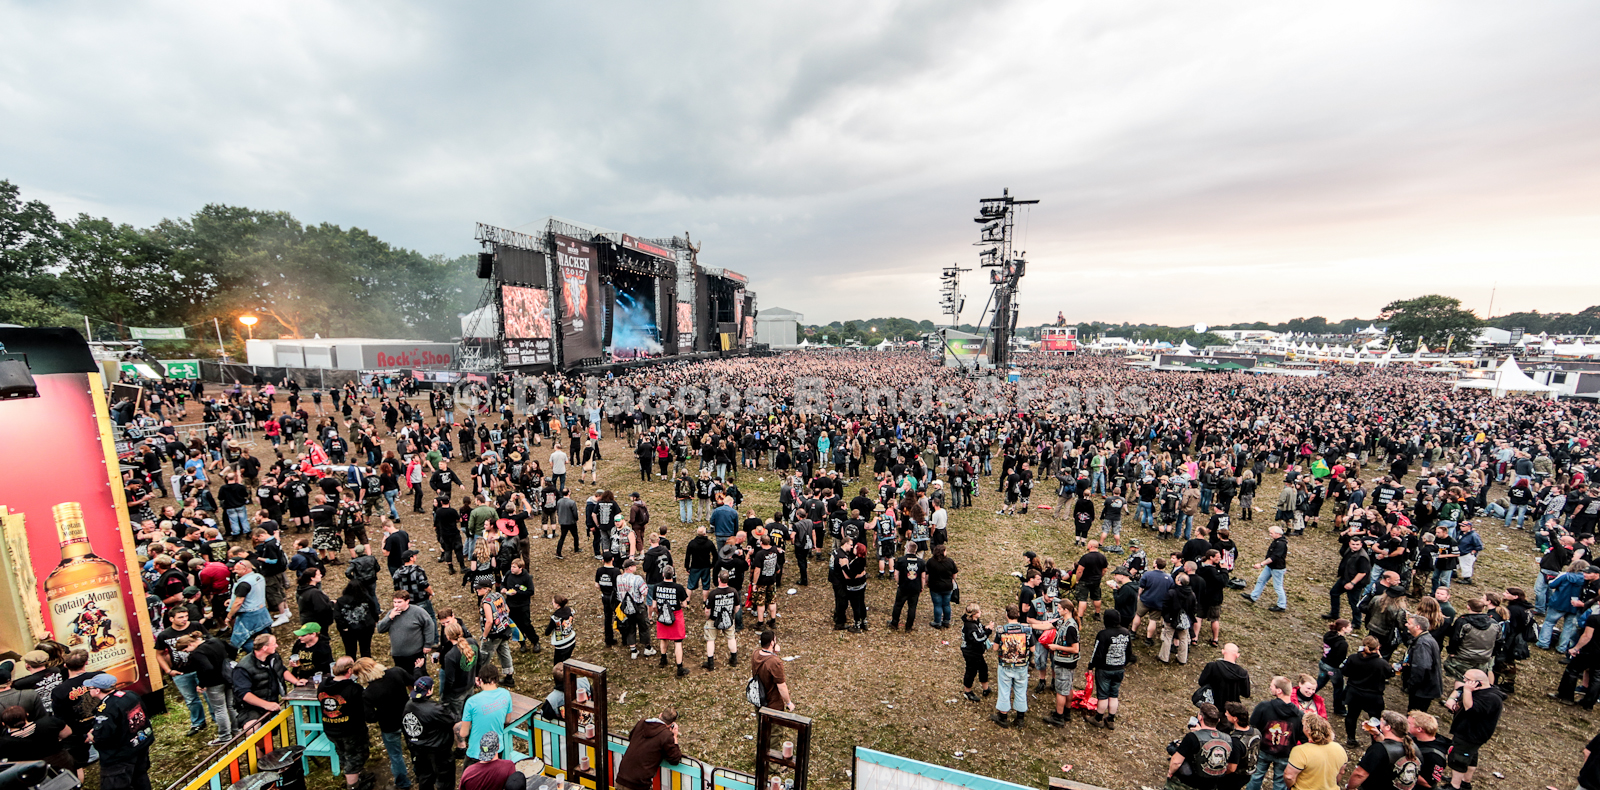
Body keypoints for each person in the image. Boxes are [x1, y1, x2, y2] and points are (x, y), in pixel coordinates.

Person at [85, 673, 154, 790]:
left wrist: (92, 736)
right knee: (140, 778)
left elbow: (102, 737)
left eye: (89, 688)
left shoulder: (107, 709)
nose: (88, 690)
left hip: (120, 758)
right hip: (139, 745)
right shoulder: (130, 695)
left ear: (97, 690)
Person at [357, 658, 414, 790]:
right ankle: (421, 773)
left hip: (389, 725)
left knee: (395, 755)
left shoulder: (368, 692)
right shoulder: (396, 672)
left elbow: (370, 717)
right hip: (407, 718)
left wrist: (381, 713)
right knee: (415, 748)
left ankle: (403, 783)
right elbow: (412, 681)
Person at [1443, 669, 1505, 790]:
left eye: (1468, 680)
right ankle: (1465, 781)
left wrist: (1467, 690)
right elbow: (1458, 690)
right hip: (1467, 732)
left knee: (1459, 758)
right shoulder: (1481, 690)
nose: (1464, 682)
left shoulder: (1490, 698)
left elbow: (1470, 709)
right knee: (1471, 757)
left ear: (1479, 682)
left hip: (1471, 734)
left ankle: (1454, 786)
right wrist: (1452, 699)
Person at [318, 656, 374, 789]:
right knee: (355, 758)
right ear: (349, 670)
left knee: (343, 754)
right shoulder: (354, 689)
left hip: (330, 729)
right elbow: (365, 710)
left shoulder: (322, 685)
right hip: (351, 732)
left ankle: (356, 777)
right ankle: (353, 785)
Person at [174, 632, 236, 746]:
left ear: (190, 644)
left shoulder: (198, 653)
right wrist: (228, 663)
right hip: (229, 678)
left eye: (185, 650)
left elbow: (207, 668)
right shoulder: (216, 640)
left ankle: (225, 736)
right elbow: (233, 649)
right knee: (231, 706)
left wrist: (202, 684)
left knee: (219, 709)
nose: (187, 652)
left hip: (214, 683)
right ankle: (237, 731)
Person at [1244, 676, 1302, 790]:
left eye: (1272, 685)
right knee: (1280, 783)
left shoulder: (1264, 707)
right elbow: (1301, 736)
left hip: (1263, 750)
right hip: (1285, 754)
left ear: (1279, 690)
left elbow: (1253, 726)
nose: (1270, 687)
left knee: (1255, 777)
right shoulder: (1299, 715)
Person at [401, 676, 456, 790]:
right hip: (438, 749)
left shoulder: (408, 705)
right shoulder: (435, 709)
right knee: (445, 778)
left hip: (418, 748)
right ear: (429, 691)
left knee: (425, 777)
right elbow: (452, 719)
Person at [1167, 702, 1237, 790]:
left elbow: (1176, 762)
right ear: (1218, 720)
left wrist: (1170, 772)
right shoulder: (1228, 738)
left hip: (1190, 783)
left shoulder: (1192, 738)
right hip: (1212, 784)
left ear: (1200, 717)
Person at [1347, 710, 1422, 790]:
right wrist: (1378, 734)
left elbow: (1359, 774)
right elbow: (1391, 747)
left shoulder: (1378, 749)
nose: (1379, 724)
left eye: (1381, 722)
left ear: (1388, 727)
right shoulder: (1413, 746)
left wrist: (1350, 788)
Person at [455, 665, 511, 767]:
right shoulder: (506, 694)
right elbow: (507, 720)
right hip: (497, 750)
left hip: (476, 753)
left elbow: (463, 733)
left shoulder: (472, 702)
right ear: (497, 679)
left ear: (479, 680)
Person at [1089, 609, 1136, 730]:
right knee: (1114, 694)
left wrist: (1091, 666)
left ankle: (1098, 718)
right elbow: (1129, 651)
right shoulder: (1126, 632)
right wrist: (1124, 663)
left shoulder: (1103, 634)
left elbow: (1097, 653)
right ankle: (1111, 719)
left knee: (1103, 695)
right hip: (1119, 668)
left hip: (1105, 669)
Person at [615, 709, 684, 790]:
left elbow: (631, 738)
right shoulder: (666, 735)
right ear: (671, 724)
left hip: (621, 778)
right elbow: (675, 759)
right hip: (639, 784)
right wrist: (674, 737)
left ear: (660, 715)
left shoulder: (641, 723)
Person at [232, 633, 289, 725]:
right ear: (265, 648)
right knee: (252, 728)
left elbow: (281, 669)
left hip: (271, 701)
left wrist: (296, 681)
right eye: (274, 644)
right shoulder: (243, 668)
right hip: (251, 708)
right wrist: (266, 704)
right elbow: (244, 694)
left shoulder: (273, 657)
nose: (277, 646)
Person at [1282, 714, 1346, 790]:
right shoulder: (1339, 748)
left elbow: (1289, 776)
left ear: (1307, 730)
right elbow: (1341, 772)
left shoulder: (1300, 751)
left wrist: (1291, 787)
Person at [377, 591, 437, 670]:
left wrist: (428, 644)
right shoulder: (391, 614)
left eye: (399, 602)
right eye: (394, 602)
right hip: (398, 655)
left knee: (418, 676)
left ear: (407, 601)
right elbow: (380, 629)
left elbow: (429, 626)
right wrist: (390, 617)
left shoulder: (418, 612)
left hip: (415, 654)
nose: (396, 605)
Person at [1042, 608, 1080, 727]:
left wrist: (1056, 647)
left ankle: (1059, 717)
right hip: (1067, 662)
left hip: (1065, 662)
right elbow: (1047, 625)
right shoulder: (1063, 622)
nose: (1057, 610)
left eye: (1059, 608)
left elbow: (1075, 649)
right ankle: (1066, 712)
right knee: (1068, 687)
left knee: (1061, 691)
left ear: (1066, 610)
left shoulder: (1070, 628)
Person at [649, 567, 690, 676]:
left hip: (662, 615)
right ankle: (679, 668)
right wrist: (680, 605)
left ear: (663, 574)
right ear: (673, 575)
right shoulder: (678, 587)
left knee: (663, 638)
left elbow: (654, 606)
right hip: (675, 616)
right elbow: (685, 604)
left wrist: (659, 613)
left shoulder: (656, 587)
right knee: (678, 642)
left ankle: (663, 659)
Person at [1239, 526, 1289, 612]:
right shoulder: (1278, 541)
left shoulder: (1280, 544)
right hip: (1271, 566)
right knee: (1261, 580)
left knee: (1278, 587)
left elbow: (1274, 557)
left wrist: (1261, 564)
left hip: (1277, 568)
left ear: (1278, 533)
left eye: (1271, 533)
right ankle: (1253, 596)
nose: (1270, 535)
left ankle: (1282, 605)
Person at [1403, 615, 1443, 713]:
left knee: (1415, 716)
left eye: (1409, 623)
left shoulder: (1422, 643)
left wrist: (1411, 685)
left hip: (1423, 690)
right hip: (1426, 687)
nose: (1406, 625)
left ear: (1417, 627)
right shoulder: (1426, 638)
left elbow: (1421, 667)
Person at [1196, 643, 1252, 708]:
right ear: (1237, 655)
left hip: (1212, 708)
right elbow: (1246, 694)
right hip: (1231, 711)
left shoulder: (1212, 666)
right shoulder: (1242, 673)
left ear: (1223, 651)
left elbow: (1201, 682)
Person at [704, 569, 739, 671]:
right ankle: (734, 658)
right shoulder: (733, 591)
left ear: (718, 579)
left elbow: (707, 610)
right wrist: (732, 615)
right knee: (731, 637)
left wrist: (708, 618)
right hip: (728, 618)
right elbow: (737, 607)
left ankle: (710, 663)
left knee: (710, 640)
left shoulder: (713, 593)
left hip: (713, 619)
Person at [751, 630, 795, 712]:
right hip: (772, 705)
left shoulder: (755, 653)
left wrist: (774, 652)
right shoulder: (775, 663)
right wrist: (789, 703)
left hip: (759, 698)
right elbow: (782, 686)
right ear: (772, 643)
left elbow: (766, 656)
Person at [1407, 711, 1452, 790]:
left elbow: (1428, 783)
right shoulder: (1415, 737)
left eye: (1408, 723)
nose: (1405, 725)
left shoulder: (1434, 756)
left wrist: (1404, 771)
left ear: (1419, 729)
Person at [960, 603, 993, 702]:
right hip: (970, 652)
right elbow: (978, 639)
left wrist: (985, 628)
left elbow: (980, 628)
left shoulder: (975, 621)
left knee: (983, 668)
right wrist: (988, 632)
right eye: (978, 611)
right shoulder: (969, 626)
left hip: (976, 651)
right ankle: (968, 691)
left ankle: (986, 688)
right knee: (971, 671)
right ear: (973, 614)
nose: (980, 612)